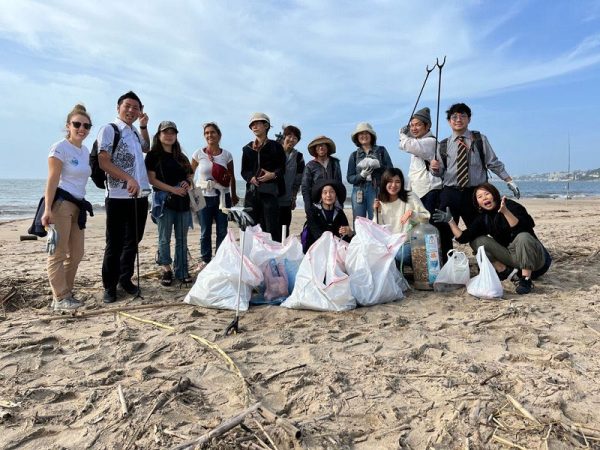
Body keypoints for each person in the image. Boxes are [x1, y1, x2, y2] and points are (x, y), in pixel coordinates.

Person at [429, 103, 520, 257]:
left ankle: (485, 262)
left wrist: (509, 180)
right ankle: (446, 264)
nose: (458, 119)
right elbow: (440, 173)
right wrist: (434, 168)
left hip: (475, 194)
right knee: (444, 229)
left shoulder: (479, 139)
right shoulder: (443, 145)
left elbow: (493, 162)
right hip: (450, 193)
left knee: (478, 229)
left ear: (469, 119)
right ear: (449, 121)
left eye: (463, 116)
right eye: (454, 117)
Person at [433, 183, 550, 295]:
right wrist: (450, 221)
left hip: (536, 261)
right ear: (478, 203)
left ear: (494, 194)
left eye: (487, 194)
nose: (484, 197)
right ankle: (505, 271)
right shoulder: (484, 218)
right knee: (477, 241)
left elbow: (526, 226)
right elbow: (464, 238)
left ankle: (526, 280)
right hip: (514, 258)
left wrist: (505, 212)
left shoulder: (511, 206)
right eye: (480, 196)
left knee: (523, 236)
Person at [97, 91, 151, 303]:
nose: (131, 110)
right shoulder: (110, 129)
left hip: (140, 196)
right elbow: (104, 161)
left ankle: (124, 279)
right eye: (127, 106)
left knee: (133, 241)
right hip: (118, 196)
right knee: (115, 243)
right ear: (118, 107)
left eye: (136, 108)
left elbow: (147, 148)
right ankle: (109, 286)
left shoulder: (136, 132)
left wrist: (144, 126)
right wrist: (128, 178)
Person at [41, 104, 93, 311]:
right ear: (68, 126)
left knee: (77, 253)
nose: (82, 128)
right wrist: (47, 209)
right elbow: (52, 180)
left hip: (78, 206)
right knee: (58, 253)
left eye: (86, 125)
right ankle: (61, 297)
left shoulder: (85, 150)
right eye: (77, 124)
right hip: (61, 204)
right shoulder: (60, 147)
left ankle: (66, 293)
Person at [146, 121, 194, 286]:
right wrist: (172, 190)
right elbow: (152, 179)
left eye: (172, 132)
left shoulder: (181, 157)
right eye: (165, 132)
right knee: (164, 238)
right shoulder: (153, 155)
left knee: (182, 239)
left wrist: (188, 183)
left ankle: (182, 271)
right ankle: (166, 269)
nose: (169, 135)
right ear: (159, 135)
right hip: (163, 202)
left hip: (183, 202)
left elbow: (190, 177)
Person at [191, 122, 239, 270]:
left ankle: (220, 259)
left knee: (222, 230)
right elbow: (189, 175)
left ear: (219, 135)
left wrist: (234, 194)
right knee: (205, 231)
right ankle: (206, 260)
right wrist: (192, 195)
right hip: (203, 196)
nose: (209, 135)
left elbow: (231, 176)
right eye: (206, 133)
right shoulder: (198, 153)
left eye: (212, 132)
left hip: (222, 197)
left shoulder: (227, 155)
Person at [241, 112, 286, 242]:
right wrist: (251, 178)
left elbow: (282, 168)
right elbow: (244, 171)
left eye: (257, 123)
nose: (254, 127)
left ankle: (273, 257)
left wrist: (272, 175)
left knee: (271, 227)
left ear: (266, 125)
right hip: (252, 193)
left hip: (270, 192)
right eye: (252, 125)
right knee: (251, 227)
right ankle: (253, 258)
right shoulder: (247, 148)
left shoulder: (276, 146)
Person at [373, 168, 429, 266]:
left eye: (397, 182)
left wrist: (413, 213)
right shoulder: (381, 201)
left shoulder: (410, 196)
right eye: (390, 182)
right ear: (384, 183)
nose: (394, 185)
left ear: (402, 183)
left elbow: (426, 216)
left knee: (401, 255)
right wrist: (377, 211)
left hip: (409, 242)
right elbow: (377, 228)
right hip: (389, 244)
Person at [347, 122, 393, 221]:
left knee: (376, 219)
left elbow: (391, 171)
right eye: (361, 134)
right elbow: (350, 178)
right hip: (358, 190)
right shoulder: (354, 155)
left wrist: (379, 166)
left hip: (376, 189)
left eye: (366, 133)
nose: (364, 136)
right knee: (359, 221)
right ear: (357, 137)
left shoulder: (381, 151)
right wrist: (361, 175)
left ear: (371, 135)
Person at [399, 107, 442, 214]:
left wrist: (402, 134)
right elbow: (403, 145)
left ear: (427, 126)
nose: (414, 128)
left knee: (429, 224)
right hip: (418, 190)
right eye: (411, 125)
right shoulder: (418, 141)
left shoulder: (431, 141)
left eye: (418, 125)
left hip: (430, 190)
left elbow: (407, 145)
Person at [303, 179, 353, 253]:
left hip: (334, 250)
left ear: (336, 195)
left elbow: (346, 240)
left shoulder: (339, 213)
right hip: (314, 250)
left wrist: (349, 232)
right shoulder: (312, 212)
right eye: (325, 192)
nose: (328, 195)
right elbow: (316, 235)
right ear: (321, 196)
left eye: (332, 192)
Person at [301, 135, 343, 215]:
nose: (321, 147)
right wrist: (308, 207)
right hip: (316, 203)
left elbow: (339, 184)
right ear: (315, 149)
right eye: (318, 145)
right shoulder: (310, 165)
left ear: (327, 147)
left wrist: (340, 203)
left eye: (323, 145)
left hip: (333, 202)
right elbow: (305, 188)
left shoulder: (335, 163)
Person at [278, 125, 305, 237]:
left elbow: (298, 180)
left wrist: (293, 197)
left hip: (286, 199)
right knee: (268, 228)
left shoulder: (298, 157)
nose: (292, 139)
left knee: (284, 228)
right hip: (270, 198)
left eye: (295, 138)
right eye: (289, 136)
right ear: (284, 136)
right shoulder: (273, 150)